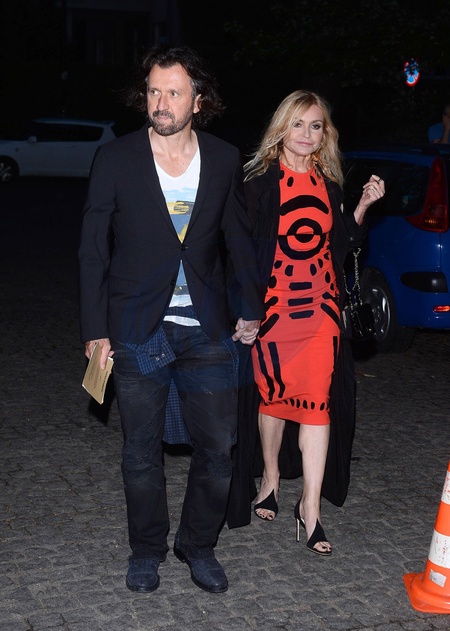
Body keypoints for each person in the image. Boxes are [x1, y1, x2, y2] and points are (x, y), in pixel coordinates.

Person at [78, 45, 264, 594]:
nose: (161, 103)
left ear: (198, 100)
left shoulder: (224, 159)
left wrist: (251, 308)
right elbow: (93, 249)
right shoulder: (116, 158)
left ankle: (198, 544)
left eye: (174, 93)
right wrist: (94, 329)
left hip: (206, 326)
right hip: (137, 326)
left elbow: (238, 239)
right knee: (140, 452)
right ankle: (146, 550)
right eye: (154, 91)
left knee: (219, 449)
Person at [243, 90, 385, 554]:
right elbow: (242, 254)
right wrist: (244, 309)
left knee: (317, 404)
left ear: (326, 134)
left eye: (316, 125)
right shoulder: (260, 184)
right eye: (298, 124)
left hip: (321, 310)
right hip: (274, 310)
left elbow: (341, 245)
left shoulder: (329, 185)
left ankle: (310, 507)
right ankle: (269, 477)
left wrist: (361, 207)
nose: (306, 134)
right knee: (273, 399)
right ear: (282, 128)